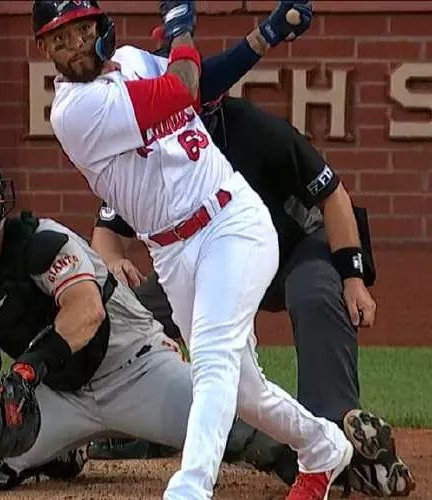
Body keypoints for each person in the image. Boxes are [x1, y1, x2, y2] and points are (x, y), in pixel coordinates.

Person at [39, 0, 356, 498]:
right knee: (245, 393)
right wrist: (181, 30)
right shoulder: (73, 111)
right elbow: (180, 88)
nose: (73, 45)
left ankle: (190, 489)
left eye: (79, 31)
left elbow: (202, 84)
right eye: (58, 39)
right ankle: (323, 445)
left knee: (210, 361)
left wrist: (261, 34)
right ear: (45, 50)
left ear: (100, 27)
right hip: (171, 253)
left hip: (232, 222)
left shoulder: (133, 59)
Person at [0, 145, 314, 494]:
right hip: (61, 394)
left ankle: (334, 453)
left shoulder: (43, 242)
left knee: (239, 430)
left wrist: (24, 373)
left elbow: (86, 312)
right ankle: (64, 452)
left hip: (135, 369)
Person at [89, 95, 416, 497]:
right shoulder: (145, 143)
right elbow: (106, 228)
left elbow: (333, 193)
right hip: (203, 258)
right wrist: (112, 260)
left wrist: (353, 276)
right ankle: (325, 444)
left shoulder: (254, 127)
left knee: (305, 300)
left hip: (292, 245)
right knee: (138, 316)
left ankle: (334, 416)